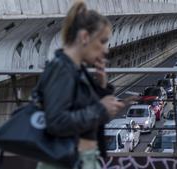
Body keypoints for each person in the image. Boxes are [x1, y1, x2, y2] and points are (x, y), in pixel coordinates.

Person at [35, 1, 124, 169]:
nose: (106, 50)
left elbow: (85, 113)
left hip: (82, 159)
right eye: (103, 41)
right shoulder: (61, 69)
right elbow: (56, 122)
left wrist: (102, 86)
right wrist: (100, 108)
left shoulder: (76, 69)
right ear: (84, 37)